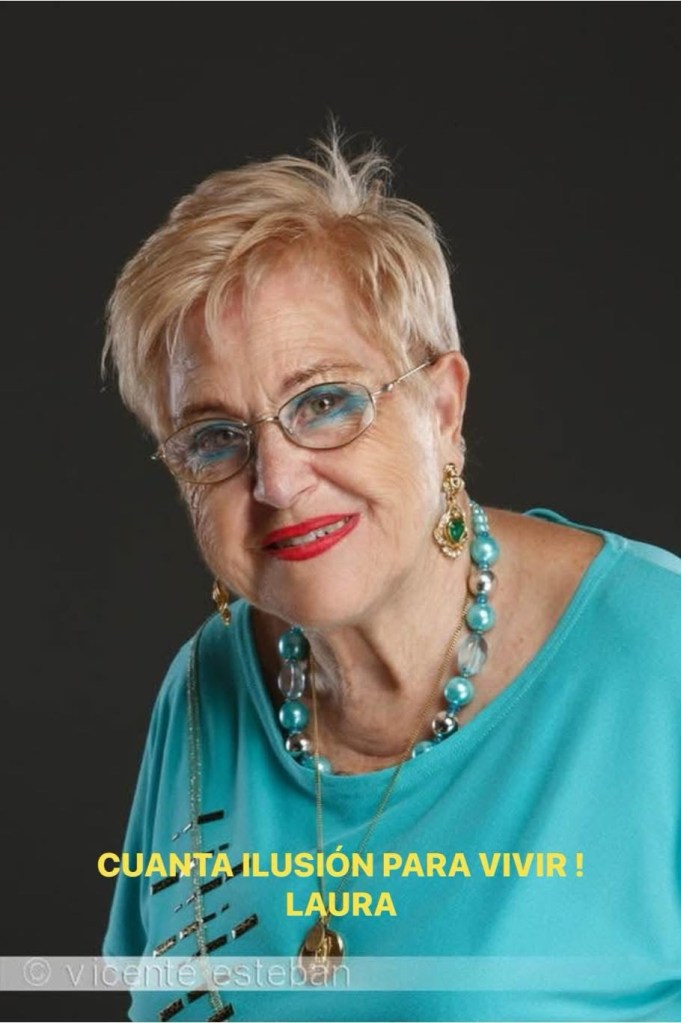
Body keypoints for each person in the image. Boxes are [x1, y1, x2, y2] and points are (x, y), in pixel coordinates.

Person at [101, 129, 681, 1023]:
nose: (276, 481)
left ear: (442, 408)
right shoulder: (201, 687)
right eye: (215, 437)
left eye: (324, 400)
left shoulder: (656, 652)